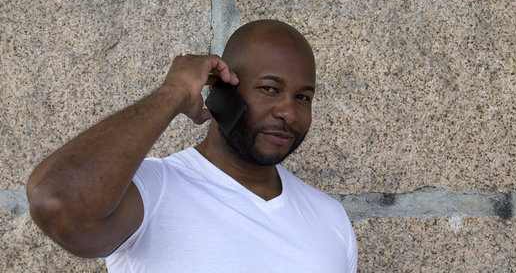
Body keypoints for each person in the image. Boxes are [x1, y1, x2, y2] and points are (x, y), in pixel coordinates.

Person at [27, 19, 358, 272]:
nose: (289, 112)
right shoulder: (153, 191)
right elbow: (57, 201)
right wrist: (173, 93)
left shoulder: (331, 219)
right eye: (270, 89)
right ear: (219, 87)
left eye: (303, 97)